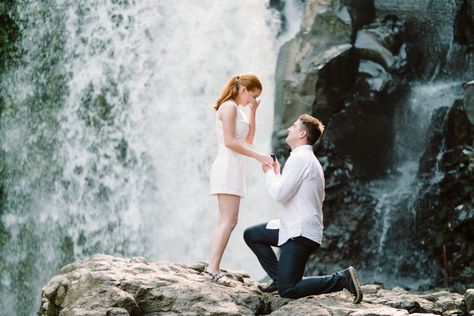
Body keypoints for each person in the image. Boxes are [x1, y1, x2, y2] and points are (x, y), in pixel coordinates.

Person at [243, 114, 363, 303]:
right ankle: (278, 278)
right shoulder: (305, 159)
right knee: (252, 234)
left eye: (293, 126)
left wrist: (269, 174)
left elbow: (280, 195)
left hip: (299, 233)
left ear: (302, 133)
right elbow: (290, 191)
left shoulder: (301, 159)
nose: (289, 128)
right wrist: (277, 173)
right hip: (292, 227)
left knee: (288, 289)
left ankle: (341, 279)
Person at [205, 73, 274, 286]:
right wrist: (258, 157)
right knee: (228, 220)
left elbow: (249, 139)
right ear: (243, 89)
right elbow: (229, 142)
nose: (253, 100)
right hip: (226, 166)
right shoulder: (228, 107)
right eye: (253, 96)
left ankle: (212, 266)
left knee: (227, 220)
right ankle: (212, 269)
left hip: (234, 167)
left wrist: (253, 112)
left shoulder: (240, 110)